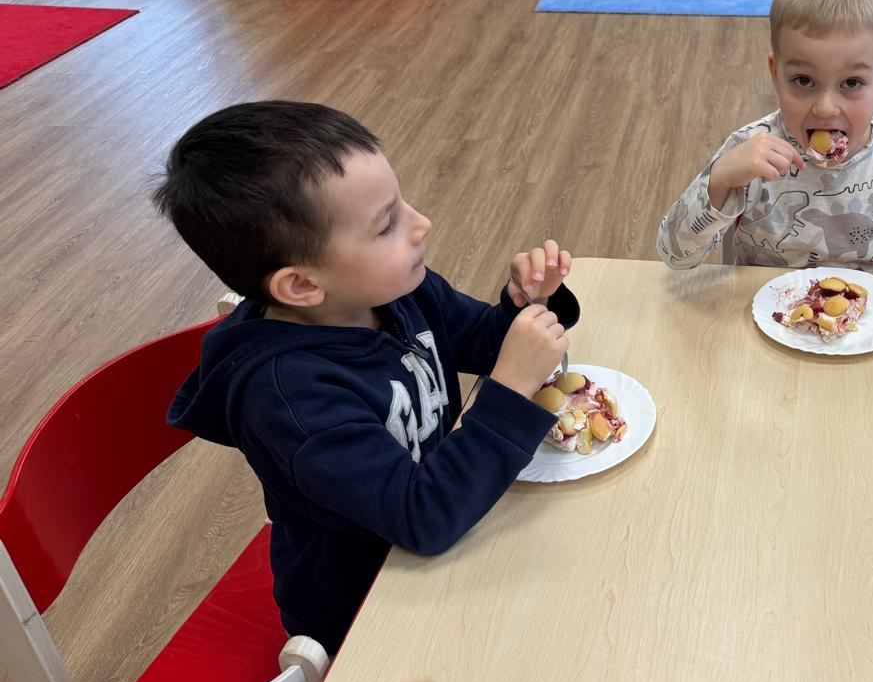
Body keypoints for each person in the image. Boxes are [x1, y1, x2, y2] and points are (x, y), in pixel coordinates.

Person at [154, 100, 578, 652]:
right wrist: (510, 390)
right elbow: (421, 517)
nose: (421, 224)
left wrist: (527, 305)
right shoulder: (289, 399)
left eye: (401, 202)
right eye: (386, 225)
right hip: (364, 611)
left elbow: (484, 339)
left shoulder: (390, 291)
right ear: (302, 286)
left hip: (448, 534)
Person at [657, 0, 873, 321]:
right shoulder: (749, 151)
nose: (826, 108)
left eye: (852, 83)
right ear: (775, 73)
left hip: (864, 328)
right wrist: (719, 181)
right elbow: (675, 255)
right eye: (803, 81)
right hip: (763, 322)